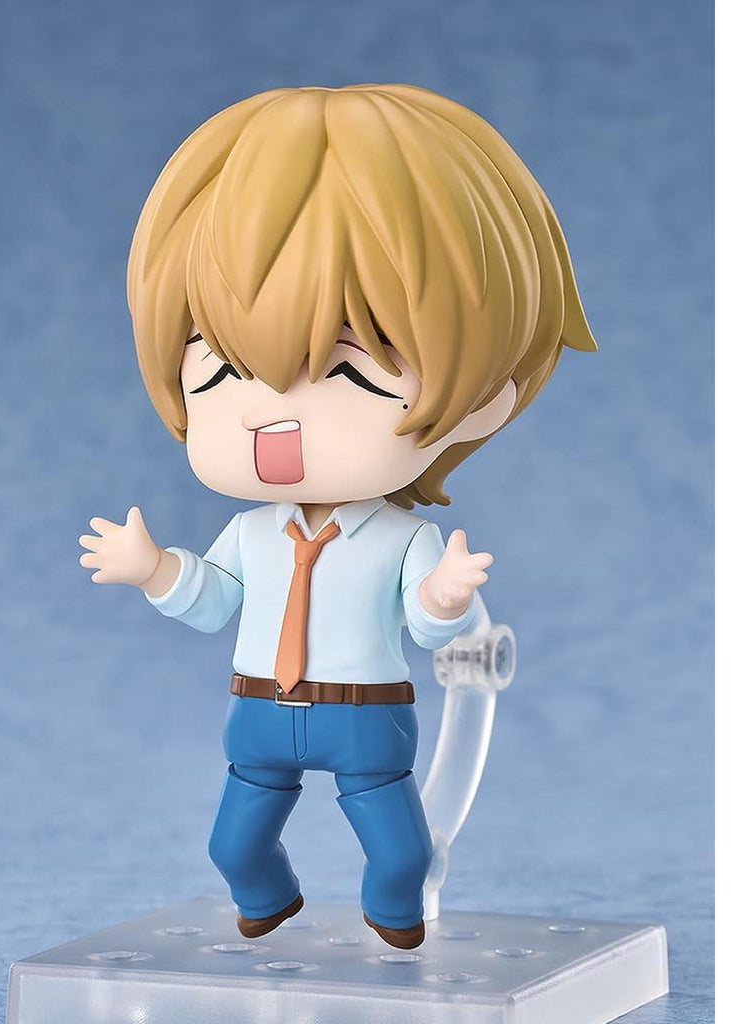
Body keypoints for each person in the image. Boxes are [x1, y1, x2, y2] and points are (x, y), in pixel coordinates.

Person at [79, 84, 595, 949]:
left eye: (351, 374)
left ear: (480, 399)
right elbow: (215, 601)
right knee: (231, 845)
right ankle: (268, 897)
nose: (269, 419)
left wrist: (444, 596)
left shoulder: (404, 539)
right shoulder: (251, 534)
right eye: (218, 373)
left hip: (367, 716)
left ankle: (395, 917)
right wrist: (155, 570)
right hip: (258, 712)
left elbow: (429, 630)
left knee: (400, 852)